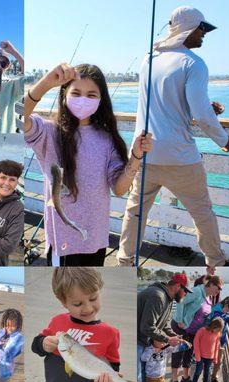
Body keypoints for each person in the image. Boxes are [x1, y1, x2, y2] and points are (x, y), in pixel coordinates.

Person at [117, 6, 229, 268]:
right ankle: (216, 261)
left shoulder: (148, 59)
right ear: (188, 29)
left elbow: (170, 105)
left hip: (145, 153)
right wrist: (226, 141)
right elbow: (202, 116)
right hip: (180, 158)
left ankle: (125, 261)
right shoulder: (193, 64)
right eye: (202, 28)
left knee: (136, 211)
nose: (204, 34)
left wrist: (207, 108)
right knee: (202, 212)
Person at [24, 63, 153, 266]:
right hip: (63, 243)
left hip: (96, 240)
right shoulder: (48, 134)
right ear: (64, 94)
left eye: (92, 95)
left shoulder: (107, 139)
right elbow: (19, 117)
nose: (83, 99)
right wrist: (46, 83)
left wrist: (135, 157)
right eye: (76, 93)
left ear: (101, 101)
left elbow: (120, 188)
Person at [31, 268, 123, 382]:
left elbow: (113, 365)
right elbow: (36, 346)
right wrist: (43, 343)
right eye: (77, 304)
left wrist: (109, 378)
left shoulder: (110, 333)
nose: (87, 308)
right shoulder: (58, 321)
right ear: (63, 302)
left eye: (93, 298)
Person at [137, 273, 190, 382]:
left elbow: (165, 324)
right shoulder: (158, 296)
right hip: (137, 341)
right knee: (137, 377)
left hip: (145, 341)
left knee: (144, 376)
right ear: (177, 286)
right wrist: (167, 339)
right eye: (185, 291)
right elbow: (146, 327)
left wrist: (174, 336)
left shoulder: (170, 299)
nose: (186, 294)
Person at [171, 275, 223, 382]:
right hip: (181, 328)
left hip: (193, 331)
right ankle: (174, 381)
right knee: (178, 353)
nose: (219, 291)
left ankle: (185, 378)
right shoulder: (197, 291)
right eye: (218, 287)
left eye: (220, 289)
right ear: (210, 284)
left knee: (189, 354)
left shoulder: (209, 297)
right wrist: (179, 320)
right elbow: (180, 300)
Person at [208, 295, 229, 382]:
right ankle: (208, 378)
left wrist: (227, 314)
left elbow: (223, 314)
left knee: (219, 360)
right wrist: (225, 317)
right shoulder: (216, 311)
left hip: (221, 341)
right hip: (214, 341)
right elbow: (217, 321)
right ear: (226, 306)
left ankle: (213, 377)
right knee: (210, 360)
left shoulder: (222, 310)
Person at [190, 317, 224, 382]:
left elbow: (216, 346)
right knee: (198, 372)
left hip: (210, 357)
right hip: (200, 356)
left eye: (220, 330)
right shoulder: (202, 330)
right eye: (218, 329)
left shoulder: (217, 334)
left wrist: (215, 358)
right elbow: (196, 342)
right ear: (213, 326)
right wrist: (197, 356)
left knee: (207, 373)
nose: (219, 332)